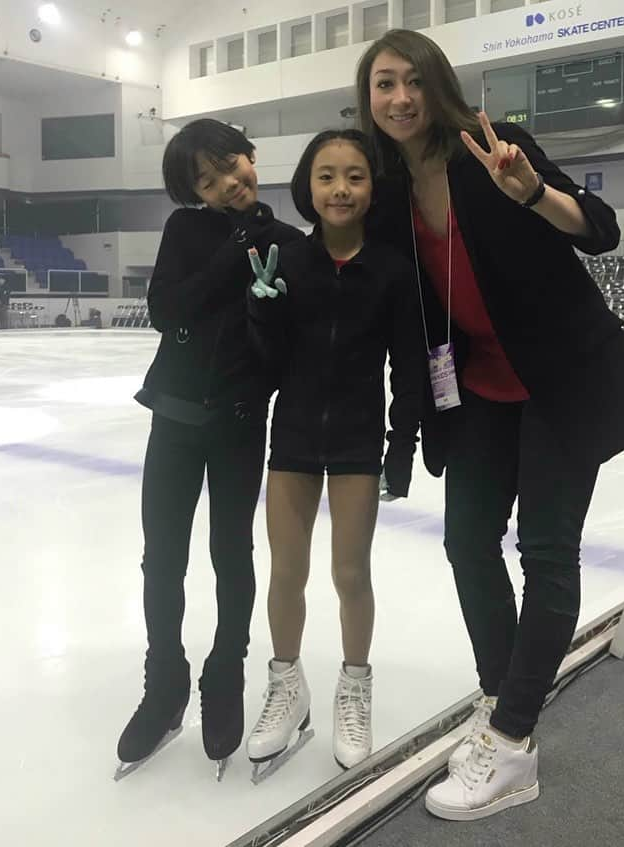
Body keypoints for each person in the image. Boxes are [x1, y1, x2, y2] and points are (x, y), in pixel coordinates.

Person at [355, 29, 624, 820]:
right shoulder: (388, 191)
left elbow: (599, 229)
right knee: (464, 540)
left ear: (437, 85)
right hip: (479, 390)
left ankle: (513, 741)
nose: (398, 98)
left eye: (411, 81)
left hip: (559, 381)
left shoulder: (495, 147)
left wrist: (528, 190)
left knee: (545, 549)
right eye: (382, 84)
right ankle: (502, 706)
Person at [115, 119, 304, 781]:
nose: (228, 182)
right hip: (173, 417)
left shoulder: (286, 243)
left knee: (232, 551)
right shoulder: (187, 232)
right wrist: (234, 252)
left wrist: (263, 290)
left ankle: (225, 672)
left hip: (239, 422)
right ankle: (165, 679)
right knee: (160, 557)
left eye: (231, 164)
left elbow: (284, 348)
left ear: (250, 156)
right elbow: (168, 311)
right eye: (207, 179)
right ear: (194, 192)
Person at [244, 129, 423, 780]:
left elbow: (408, 370)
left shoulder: (391, 271)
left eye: (353, 175)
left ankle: (354, 688)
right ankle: (287, 687)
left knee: (350, 574)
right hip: (290, 436)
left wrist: (400, 446)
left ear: (371, 188)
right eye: (326, 176)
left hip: (354, 440)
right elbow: (268, 366)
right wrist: (260, 313)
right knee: (285, 573)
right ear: (307, 186)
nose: (339, 188)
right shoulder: (287, 261)